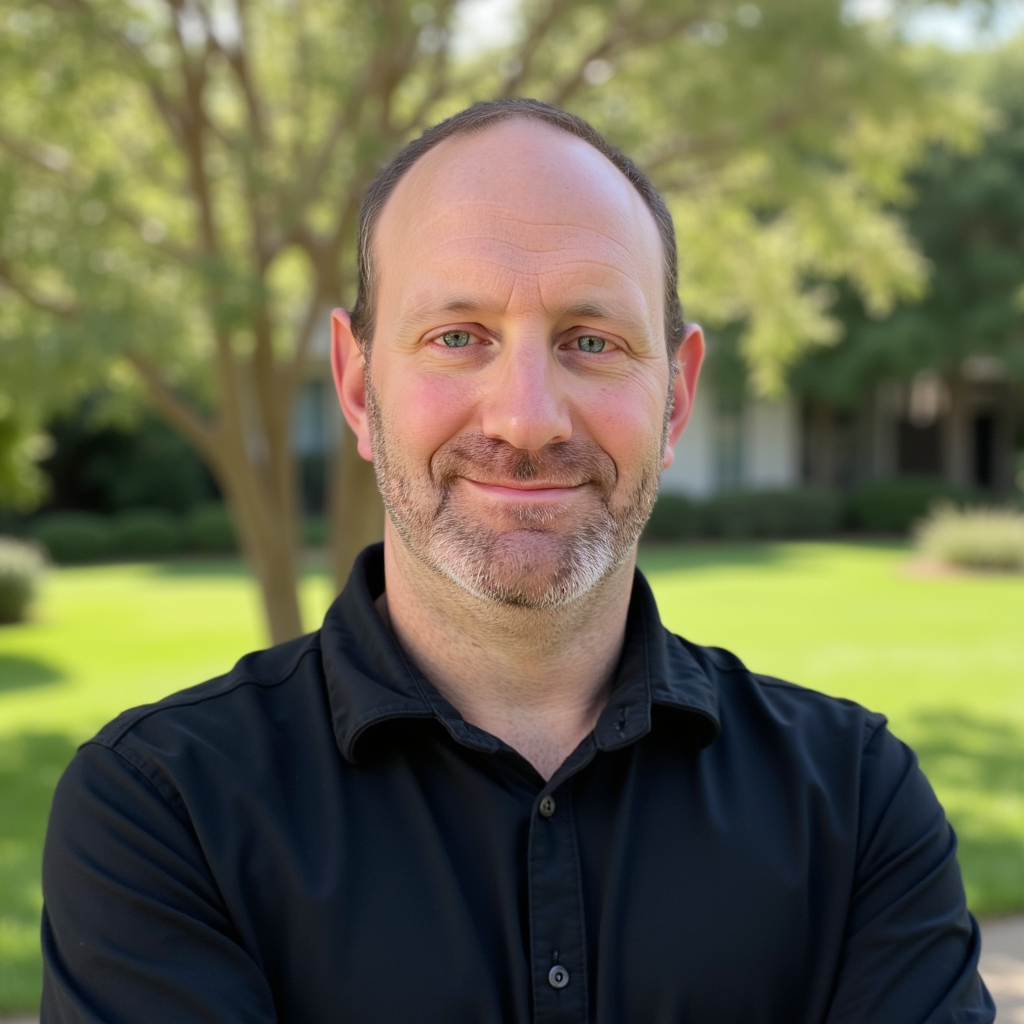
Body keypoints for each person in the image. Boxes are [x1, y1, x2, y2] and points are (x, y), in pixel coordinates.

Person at [40, 99, 994, 1023]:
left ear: (675, 397)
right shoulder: (165, 814)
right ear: (359, 386)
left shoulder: (856, 802)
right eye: (457, 338)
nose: (526, 418)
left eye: (592, 341)